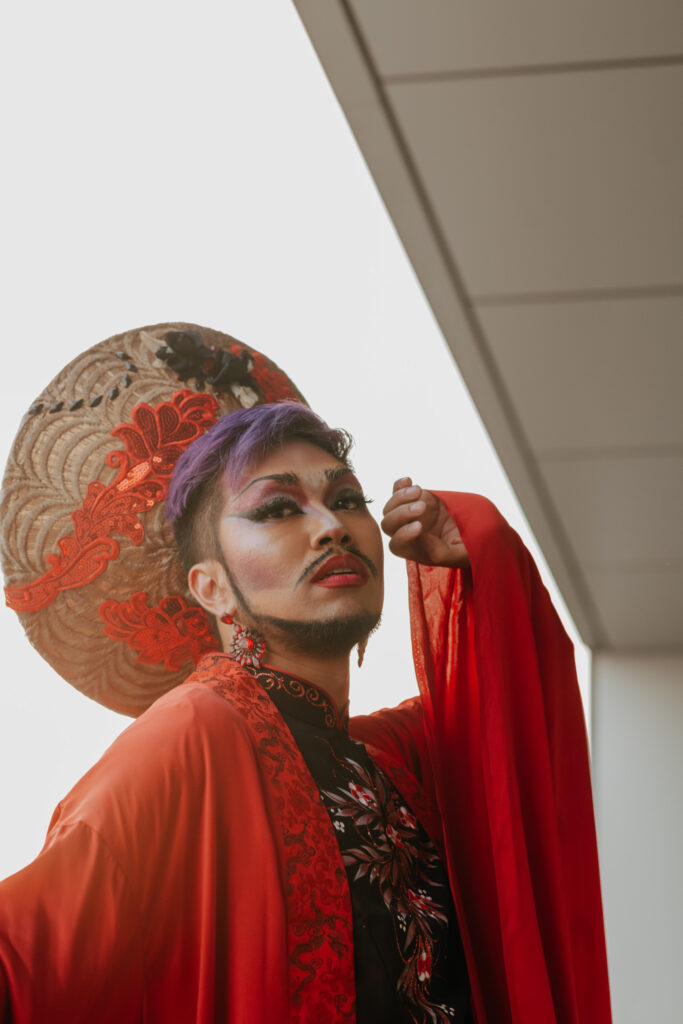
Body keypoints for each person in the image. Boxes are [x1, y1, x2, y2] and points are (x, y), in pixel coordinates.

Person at [0, 324, 612, 1023]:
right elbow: (27, 954)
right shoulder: (193, 735)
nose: (332, 526)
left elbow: (520, 732)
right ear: (210, 587)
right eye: (278, 509)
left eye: (346, 499)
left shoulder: (395, 756)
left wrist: (483, 546)